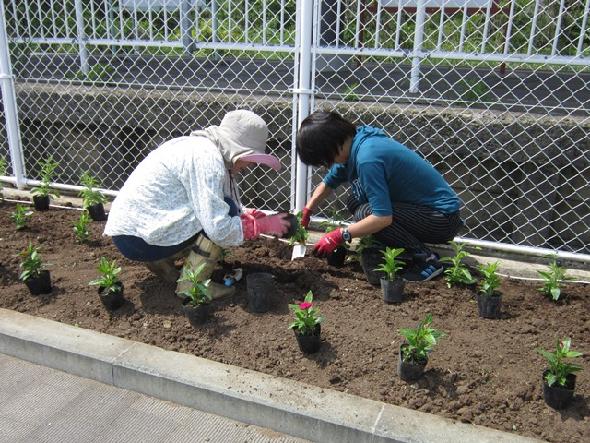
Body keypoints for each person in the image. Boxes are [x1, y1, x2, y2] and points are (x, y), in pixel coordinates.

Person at [104, 110, 291, 297]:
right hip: (140, 240)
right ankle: (192, 287)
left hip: (131, 232)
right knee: (224, 216)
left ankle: (161, 263)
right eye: (251, 158)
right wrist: (260, 225)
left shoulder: (199, 147)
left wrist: (245, 217)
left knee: (227, 210)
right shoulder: (208, 159)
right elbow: (219, 229)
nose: (250, 165)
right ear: (238, 150)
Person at [296, 111, 463, 281]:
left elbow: (382, 218)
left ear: (331, 146)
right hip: (423, 212)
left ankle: (426, 259)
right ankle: (394, 248)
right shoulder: (356, 142)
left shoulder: (368, 158)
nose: (327, 165)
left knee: (367, 213)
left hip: (441, 219)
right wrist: (308, 209)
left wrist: (339, 235)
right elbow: (328, 183)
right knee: (355, 200)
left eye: (325, 160)